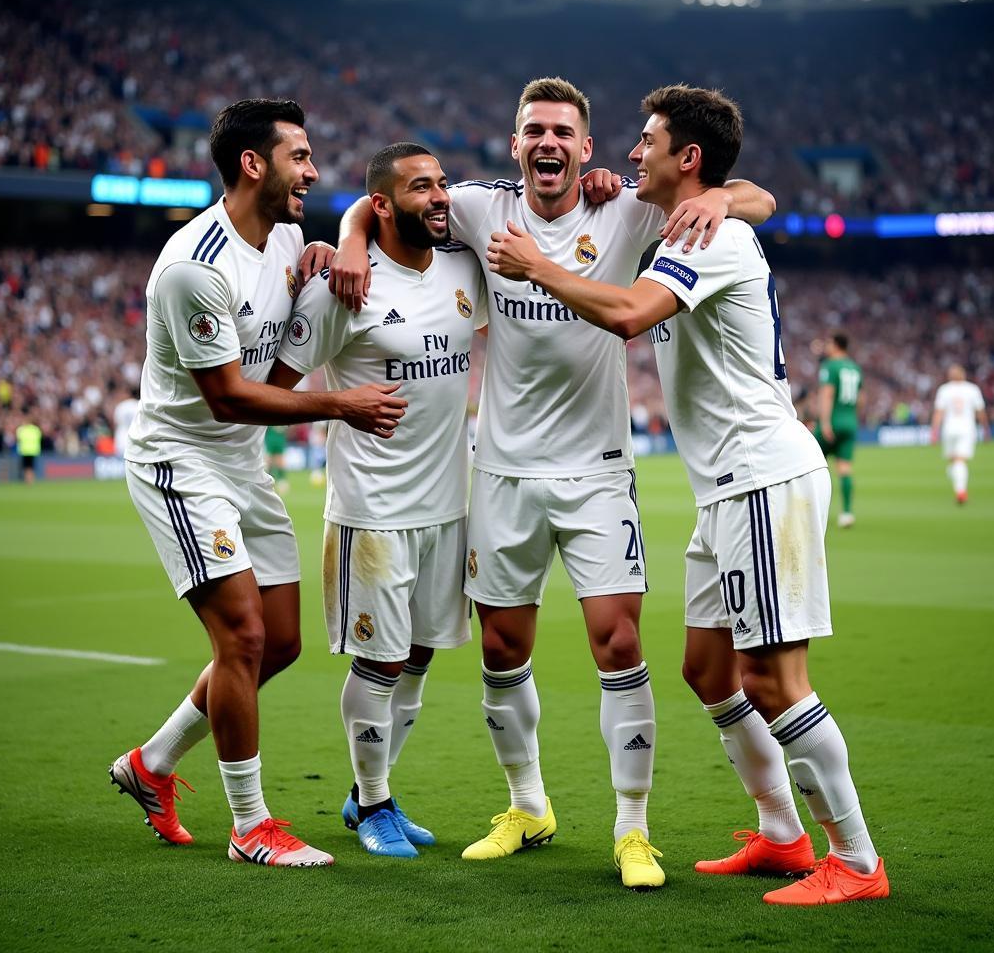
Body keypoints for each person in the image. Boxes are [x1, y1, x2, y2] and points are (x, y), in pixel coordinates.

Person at [331, 78, 775, 888]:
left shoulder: (630, 212)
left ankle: (633, 829)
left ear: (586, 148)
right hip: (500, 472)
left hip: (597, 472)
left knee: (619, 642)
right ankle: (528, 805)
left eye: (564, 132)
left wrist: (730, 200)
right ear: (513, 144)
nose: (548, 142)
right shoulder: (475, 207)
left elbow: (755, 195)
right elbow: (383, 194)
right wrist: (355, 234)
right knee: (502, 649)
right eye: (534, 129)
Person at [487, 84, 889, 906]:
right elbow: (753, 194)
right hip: (724, 490)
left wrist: (539, 265)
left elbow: (632, 315)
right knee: (709, 670)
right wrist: (720, 195)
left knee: (776, 679)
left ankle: (855, 858)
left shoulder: (713, 236)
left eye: (647, 141)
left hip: (762, 477)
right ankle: (782, 834)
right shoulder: (690, 222)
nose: (633, 153)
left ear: (687, 158)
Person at [110, 98, 407, 868]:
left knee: (278, 643)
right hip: (182, 459)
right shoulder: (193, 267)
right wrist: (340, 403)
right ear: (253, 164)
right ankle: (251, 826)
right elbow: (230, 396)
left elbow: (277, 356)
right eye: (299, 157)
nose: (312, 171)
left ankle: (151, 765)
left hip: (240, 460)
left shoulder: (283, 236)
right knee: (240, 635)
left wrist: (321, 255)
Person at [270, 142, 486, 859]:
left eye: (443, 183)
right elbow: (273, 385)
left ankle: (370, 787)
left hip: (448, 507)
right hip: (373, 513)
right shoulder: (341, 289)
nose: (440, 196)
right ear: (386, 202)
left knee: (420, 655)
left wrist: (355, 226)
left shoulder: (462, 267)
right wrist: (338, 405)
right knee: (381, 662)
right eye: (420, 186)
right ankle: (374, 805)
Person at [814, 334, 862, 528]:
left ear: (835, 345)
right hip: (850, 422)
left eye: (828, 343)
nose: (826, 346)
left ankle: (813, 514)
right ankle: (847, 513)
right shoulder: (855, 368)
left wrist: (824, 422)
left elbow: (827, 394)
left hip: (832, 422)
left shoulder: (830, 366)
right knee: (844, 469)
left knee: (812, 466)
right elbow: (861, 398)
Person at [930, 364, 989, 504]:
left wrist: (934, 431)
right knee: (959, 461)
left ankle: (960, 489)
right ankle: (960, 488)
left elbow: (938, 412)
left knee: (955, 460)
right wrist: (986, 428)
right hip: (967, 429)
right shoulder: (972, 389)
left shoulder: (944, 390)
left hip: (949, 428)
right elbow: (980, 411)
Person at [112, 388, 140, 458]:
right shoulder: (138, 404)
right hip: (136, 441)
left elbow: (114, 423)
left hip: (121, 440)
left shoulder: (121, 405)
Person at [15, 417, 42, 484]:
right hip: (33, 450)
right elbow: (39, 438)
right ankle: (30, 480)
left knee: (26, 467)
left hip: (25, 451)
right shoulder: (36, 429)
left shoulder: (21, 429)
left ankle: (28, 480)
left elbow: (18, 439)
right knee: (31, 467)